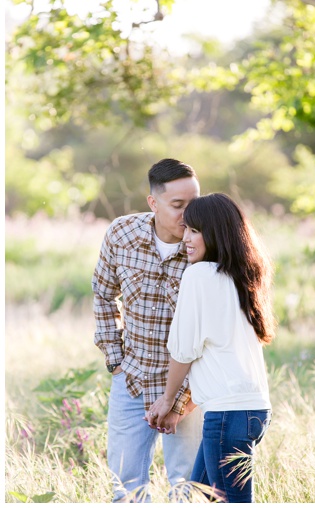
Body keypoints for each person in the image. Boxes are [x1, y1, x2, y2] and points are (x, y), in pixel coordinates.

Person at [147, 193, 275, 503]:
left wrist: (167, 401)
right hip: (253, 411)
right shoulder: (242, 276)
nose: (186, 239)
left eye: (195, 231)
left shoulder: (199, 275)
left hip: (229, 417)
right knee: (200, 497)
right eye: (186, 229)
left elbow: (183, 351)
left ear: (216, 232)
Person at [92, 158, 204, 502]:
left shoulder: (207, 247)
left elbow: (211, 332)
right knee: (125, 485)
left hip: (190, 387)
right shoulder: (122, 233)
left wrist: (179, 400)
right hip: (132, 379)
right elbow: (102, 293)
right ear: (153, 203)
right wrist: (116, 361)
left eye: (194, 204)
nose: (188, 214)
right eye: (178, 205)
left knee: (187, 485)